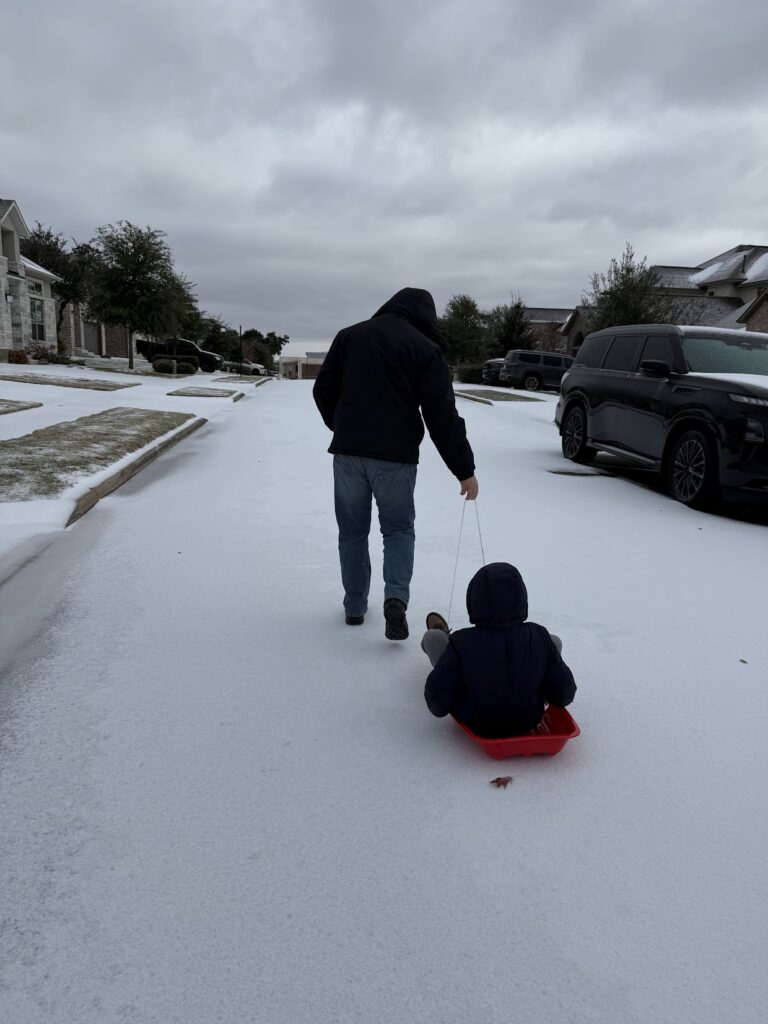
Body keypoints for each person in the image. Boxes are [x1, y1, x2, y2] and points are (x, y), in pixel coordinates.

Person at [313, 288, 478, 641]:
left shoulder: (350, 336)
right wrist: (464, 470)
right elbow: (441, 416)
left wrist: (342, 427)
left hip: (348, 455)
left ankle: (354, 607)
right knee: (398, 531)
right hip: (396, 458)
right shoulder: (425, 348)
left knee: (352, 532)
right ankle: (396, 601)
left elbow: (323, 389)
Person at [422, 563, 576, 738]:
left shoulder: (460, 641)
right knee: (550, 642)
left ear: (474, 600)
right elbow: (565, 694)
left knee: (433, 637)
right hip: (528, 720)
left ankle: (442, 638)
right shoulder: (538, 634)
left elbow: (437, 703)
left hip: (475, 721)